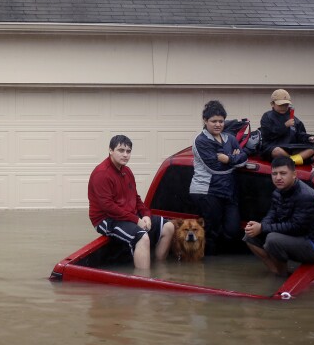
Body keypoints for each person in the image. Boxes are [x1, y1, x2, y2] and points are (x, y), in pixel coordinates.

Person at [88, 134, 174, 270]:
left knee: (168, 227)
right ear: (110, 150)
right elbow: (108, 207)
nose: (125, 155)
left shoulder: (126, 171)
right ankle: (144, 281)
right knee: (142, 238)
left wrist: (146, 215)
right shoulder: (101, 174)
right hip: (106, 219)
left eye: (128, 151)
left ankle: (159, 269)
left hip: (127, 215)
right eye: (121, 150)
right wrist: (136, 220)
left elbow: (136, 198)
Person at [243, 156, 314, 276]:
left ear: (294, 174)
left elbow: (296, 227)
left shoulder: (306, 196)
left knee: (272, 240)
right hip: (294, 237)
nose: (278, 177)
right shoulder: (278, 192)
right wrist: (259, 226)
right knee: (250, 235)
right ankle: (277, 272)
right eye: (274, 174)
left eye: (283, 173)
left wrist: (262, 228)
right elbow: (271, 215)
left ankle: (281, 278)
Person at [190, 100, 248, 255]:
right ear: (205, 121)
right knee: (212, 232)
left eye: (221, 121)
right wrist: (235, 160)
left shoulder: (230, 138)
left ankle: (221, 266)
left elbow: (244, 158)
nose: (218, 124)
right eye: (213, 121)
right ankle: (208, 267)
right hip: (207, 191)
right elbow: (215, 168)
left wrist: (228, 159)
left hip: (228, 191)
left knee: (233, 230)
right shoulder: (200, 141)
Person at [259, 88, 314, 165]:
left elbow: (300, 135)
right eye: (281, 105)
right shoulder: (267, 116)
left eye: (286, 104)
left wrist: (309, 138)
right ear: (272, 104)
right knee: (277, 151)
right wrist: (285, 126)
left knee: (311, 149)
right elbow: (267, 135)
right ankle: (294, 161)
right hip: (274, 147)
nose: (284, 107)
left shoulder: (294, 119)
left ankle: (291, 161)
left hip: (290, 147)